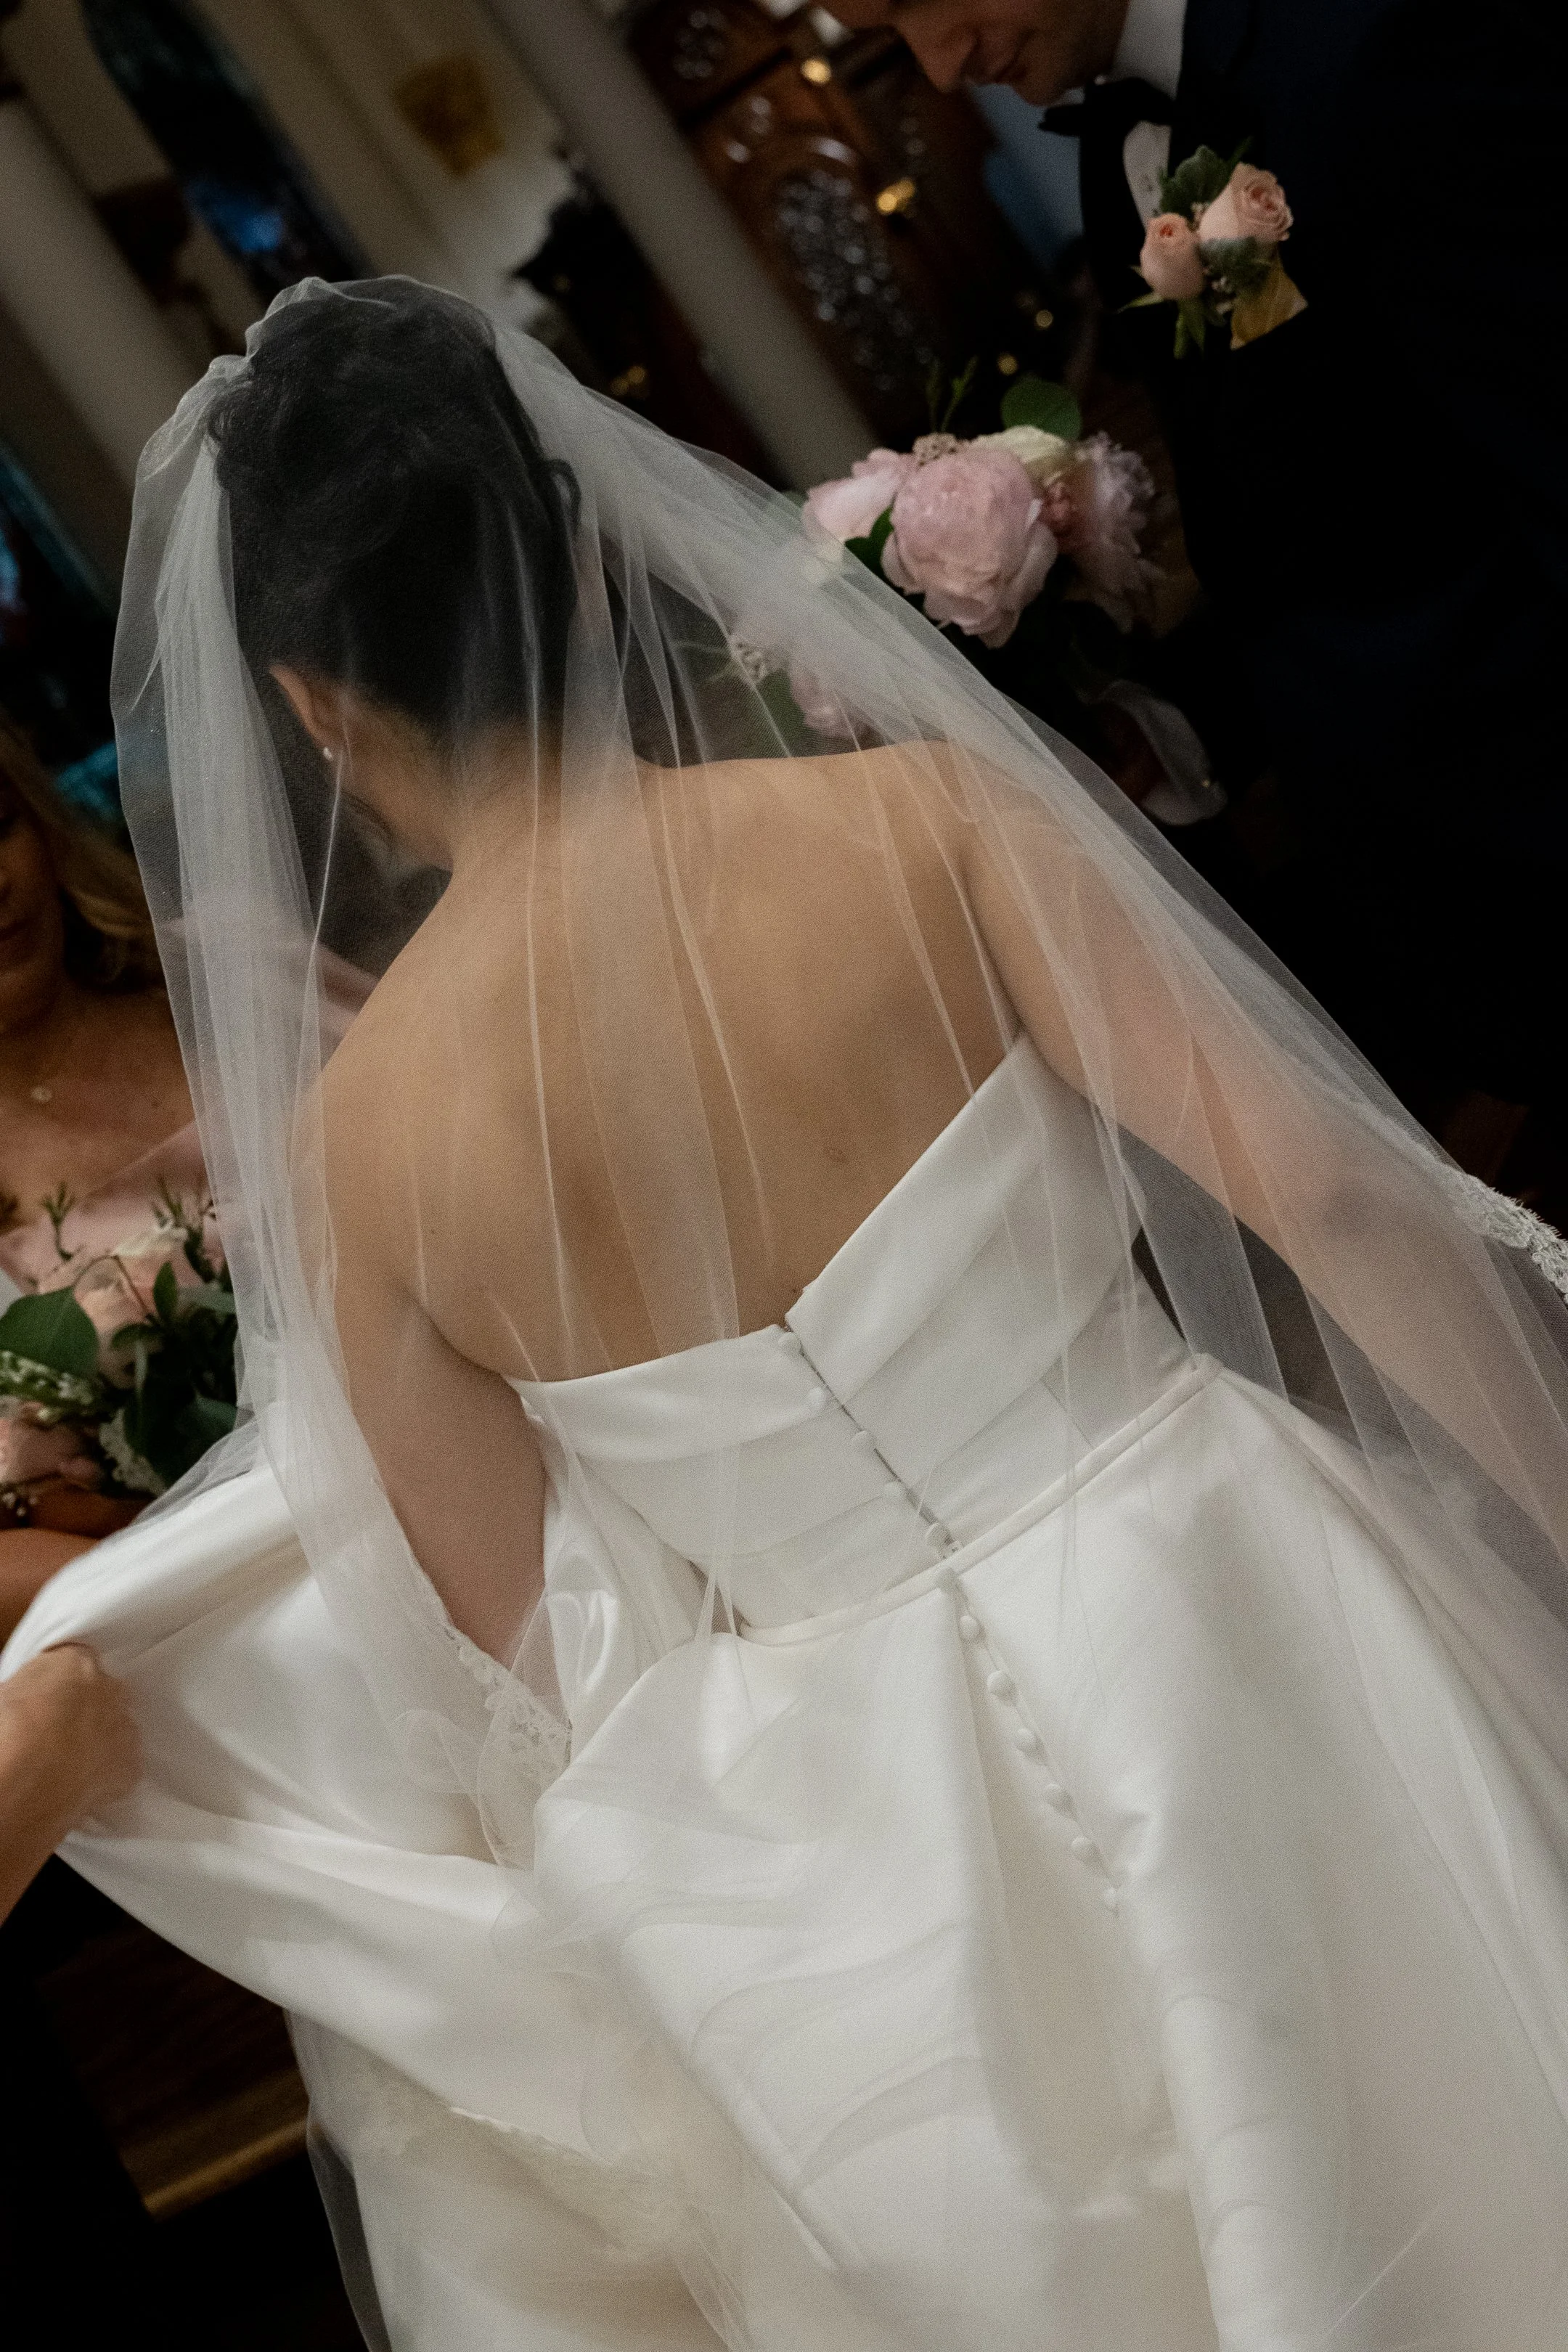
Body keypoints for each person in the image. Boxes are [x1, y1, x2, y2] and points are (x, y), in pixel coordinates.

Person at [9, 275, 1568, 2349]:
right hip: (1226, 1601)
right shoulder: (920, 824)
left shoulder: (354, 1158)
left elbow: (524, 1641)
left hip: (856, 1879)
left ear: (305, 701)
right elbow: (1331, 1198)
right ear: (575, 541)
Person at [826, 0, 1568, 1135]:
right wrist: (1168, 727)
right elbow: (1325, 525)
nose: (941, 66)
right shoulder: (1124, 143)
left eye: (921, 1)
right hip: (1477, 931)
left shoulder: (1377, 46)